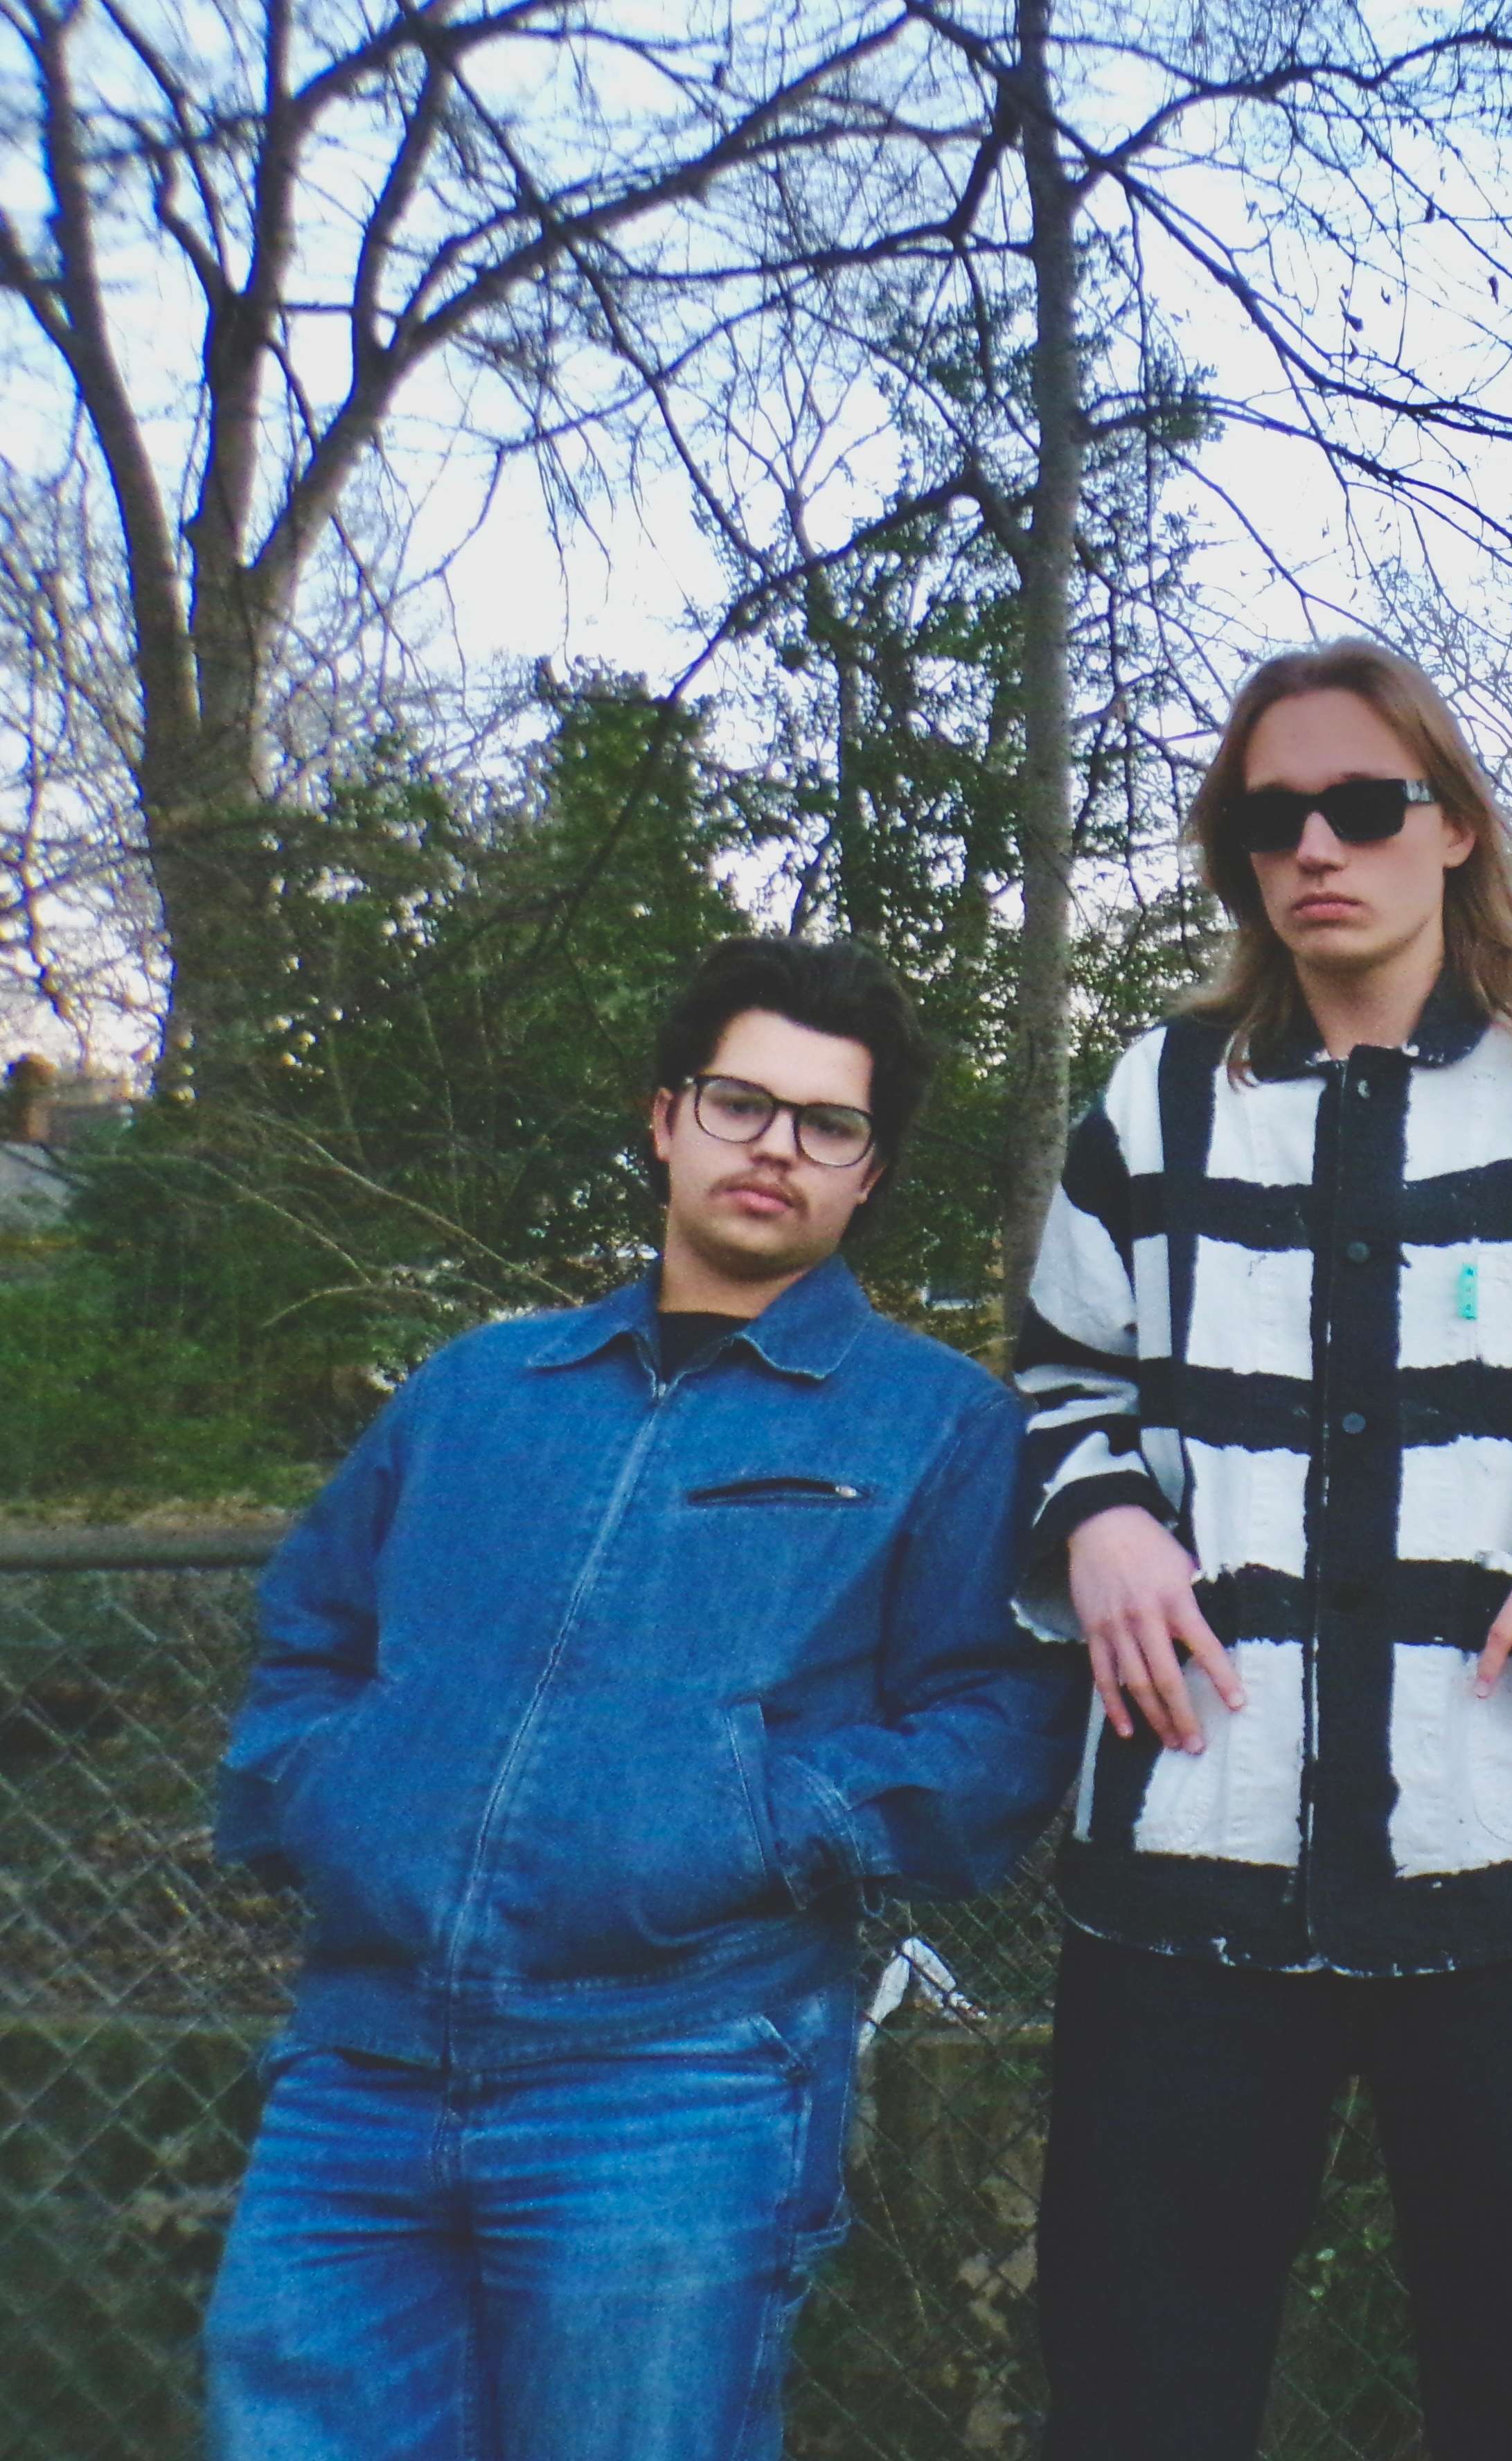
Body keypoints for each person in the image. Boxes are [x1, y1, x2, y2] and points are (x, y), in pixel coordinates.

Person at [1013, 637, 1512, 2461]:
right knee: (1136, 2392)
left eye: (1363, 805)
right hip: (1196, 1854)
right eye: (1271, 819)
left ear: (1457, 828)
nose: (1315, 848)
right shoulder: (1160, 1095)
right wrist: (1101, 1516)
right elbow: (1054, 1372)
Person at [205, 936, 1076, 2461]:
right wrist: (332, 1797)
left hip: (669, 2092)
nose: (778, 1150)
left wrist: (756, 1819)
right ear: (666, 1117)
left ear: (866, 1177)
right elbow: (309, 1637)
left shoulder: (937, 1424)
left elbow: (999, 1731)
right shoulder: (480, 1391)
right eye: (744, 1103)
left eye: (830, 1125)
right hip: (358, 2078)